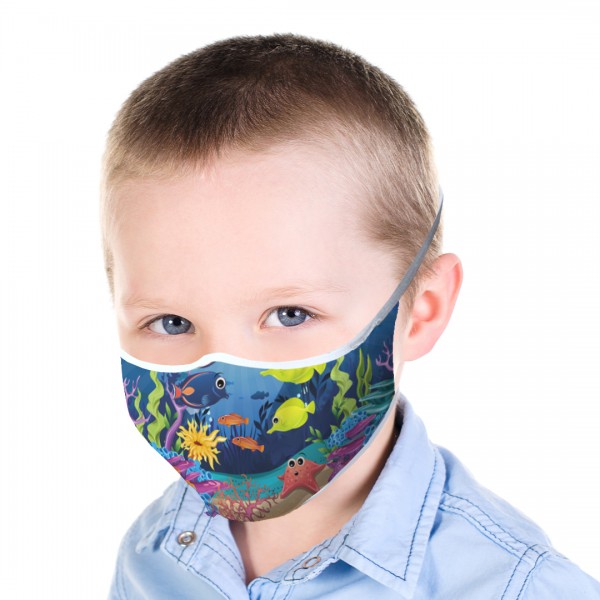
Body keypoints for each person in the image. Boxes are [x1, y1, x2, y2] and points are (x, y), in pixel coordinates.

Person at [101, 33, 600, 599]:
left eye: (289, 314)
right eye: (171, 323)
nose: (225, 379)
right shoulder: (153, 554)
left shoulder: (519, 587)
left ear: (422, 311)